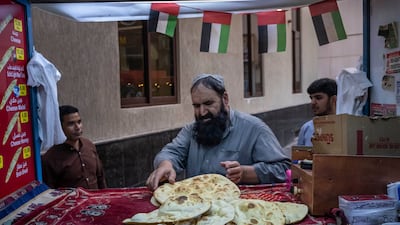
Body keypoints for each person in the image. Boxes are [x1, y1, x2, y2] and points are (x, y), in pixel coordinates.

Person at [146, 74, 291, 190]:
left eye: (208, 104)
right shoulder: (191, 130)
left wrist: (246, 173)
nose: (202, 112)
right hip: (196, 207)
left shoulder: (254, 129)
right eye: (196, 106)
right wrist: (165, 165)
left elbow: (283, 169)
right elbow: (172, 153)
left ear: (225, 99)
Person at [41, 105, 107, 189]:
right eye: (71, 124)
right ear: (60, 127)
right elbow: (50, 192)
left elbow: (100, 178)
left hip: (96, 200)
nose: (77, 127)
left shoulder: (89, 146)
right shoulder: (51, 158)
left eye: (79, 122)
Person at [297, 78, 337, 146]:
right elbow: (299, 155)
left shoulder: (344, 127)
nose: (313, 102)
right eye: (311, 98)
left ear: (333, 99)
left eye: (318, 98)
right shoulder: (307, 128)